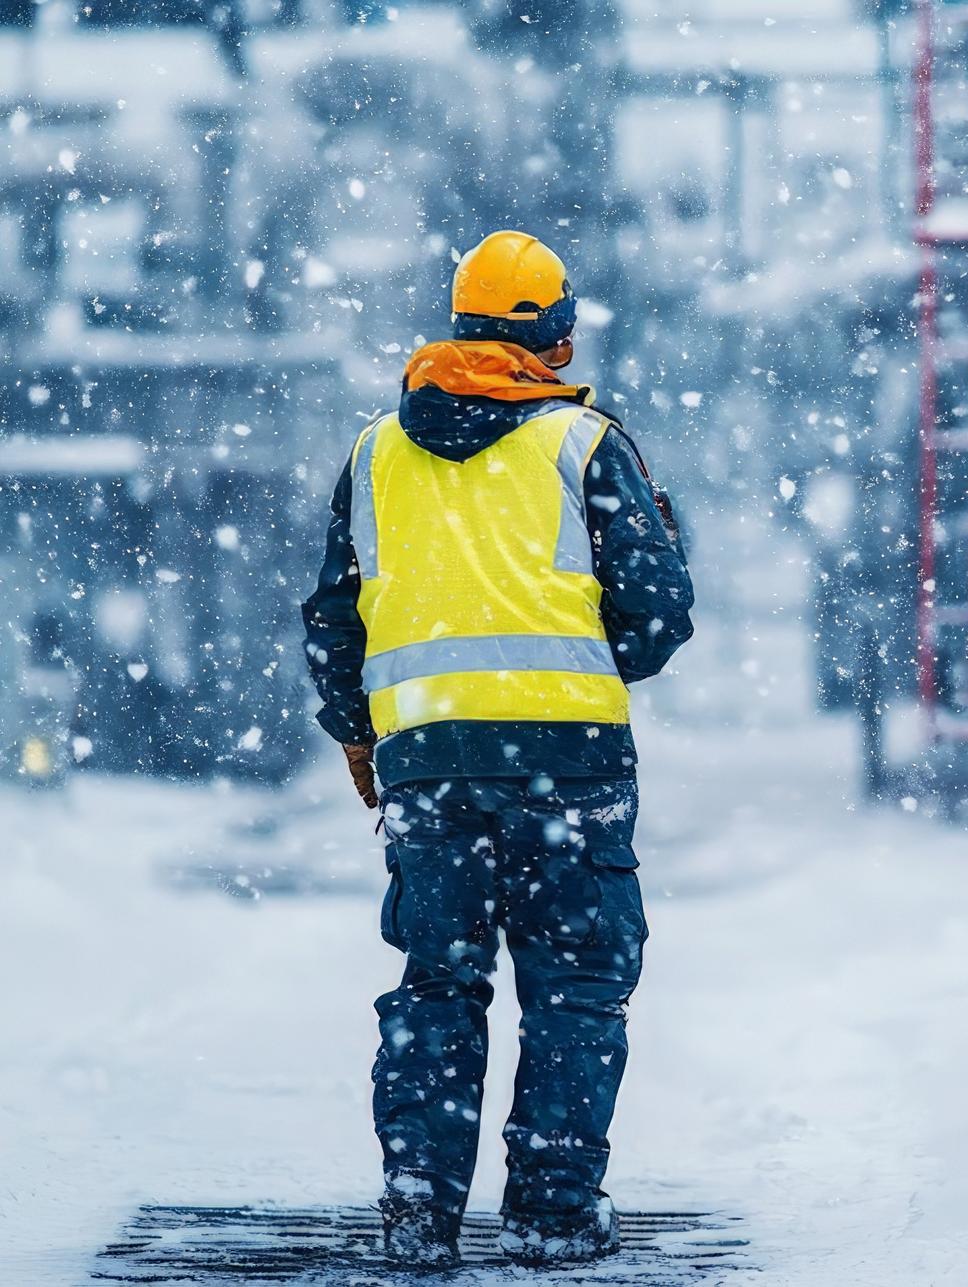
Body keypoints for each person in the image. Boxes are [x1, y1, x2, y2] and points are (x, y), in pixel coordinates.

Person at [300, 230, 695, 1268]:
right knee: (573, 983)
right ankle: (553, 1213)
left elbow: (334, 619)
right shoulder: (585, 444)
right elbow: (658, 619)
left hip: (427, 763)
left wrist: (358, 731)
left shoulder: (376, 451)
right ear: (557, 336)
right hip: (571, 763)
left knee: (438, 979)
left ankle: (421, 1212)